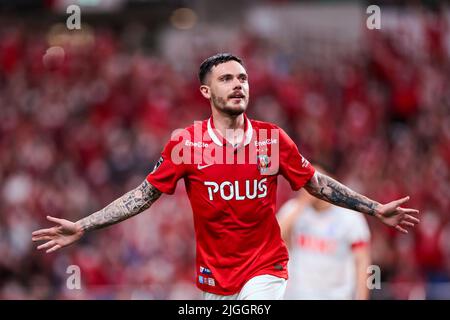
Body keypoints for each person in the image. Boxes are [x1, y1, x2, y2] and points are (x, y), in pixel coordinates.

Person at [32, 53, 420, 300]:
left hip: (266, 270)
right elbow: (141, 196)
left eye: (243, 78)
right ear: (206, 90)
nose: (238, 85)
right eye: (227, 79)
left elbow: (316, 184)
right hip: (214, 278)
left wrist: (373, 208)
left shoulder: (272, 139)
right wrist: (84, 225)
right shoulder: (186, 144)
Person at [277, 166, 371, 300]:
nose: (310, 185)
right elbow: (273, 240)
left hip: (336, 295)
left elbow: (362, 261)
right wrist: (301, 204)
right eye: (307, 180)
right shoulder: (292, 209)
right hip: (296, 294)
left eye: (316, 179)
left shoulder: (350, 216)